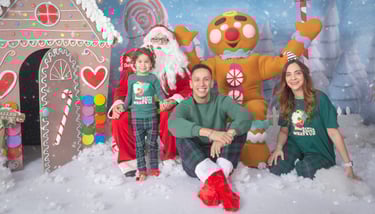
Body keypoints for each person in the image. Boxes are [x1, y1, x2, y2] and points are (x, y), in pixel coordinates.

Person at [108, 25, 191, 177]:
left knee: (170, 115)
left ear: (171, 44)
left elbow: (188, 89)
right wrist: (119, 105)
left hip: (164, 109)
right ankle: (129, 159)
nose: (159, 45)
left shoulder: (178, 67)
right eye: (155, 40)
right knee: (121, 117)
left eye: (163, 41)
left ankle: (170, 155)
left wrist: (173, 100)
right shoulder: (134, 68)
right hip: (139, 108)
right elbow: (122, 91)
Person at [168, 64, 252, 211]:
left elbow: (245, 116)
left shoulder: (221, 100)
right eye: (197, 80)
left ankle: (215, 180)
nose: (202, 84)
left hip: (221, 156)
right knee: (181, 135)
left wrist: (225, 136)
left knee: (238, 129)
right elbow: (173, 124)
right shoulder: (185, 105)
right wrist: (210, 133)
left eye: (206, 79)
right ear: (191, 84)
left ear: (212, 82)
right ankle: (224, 189)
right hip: (196, 160)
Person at [267, 59, 359, 180]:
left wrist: (348, 164)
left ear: (305, 75)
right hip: (295, 146)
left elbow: (333, 133)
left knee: (306, 170)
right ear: (285, 79)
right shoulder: (287, 101)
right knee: (276, 166)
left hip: (318, 151)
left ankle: (306, 163)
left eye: (297, 73)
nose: (293, 78)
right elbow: (284, 131)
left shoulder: (320, 99)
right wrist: (278, 148)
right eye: (288, 74)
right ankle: (294, 159)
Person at [117, 47, 169, 181]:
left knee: (152, 144)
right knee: (139, 145)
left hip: (151, 117)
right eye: (140, 61)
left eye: (146, 62)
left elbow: (160, 93)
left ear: (151, 64)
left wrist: (164, 101)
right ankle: (142, 169)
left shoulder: (153, 78)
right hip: (137, 118)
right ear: (134, 63)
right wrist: (123, 106)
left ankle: (154, 167)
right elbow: (129, 96)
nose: (143, 65)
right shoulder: (132, 78)